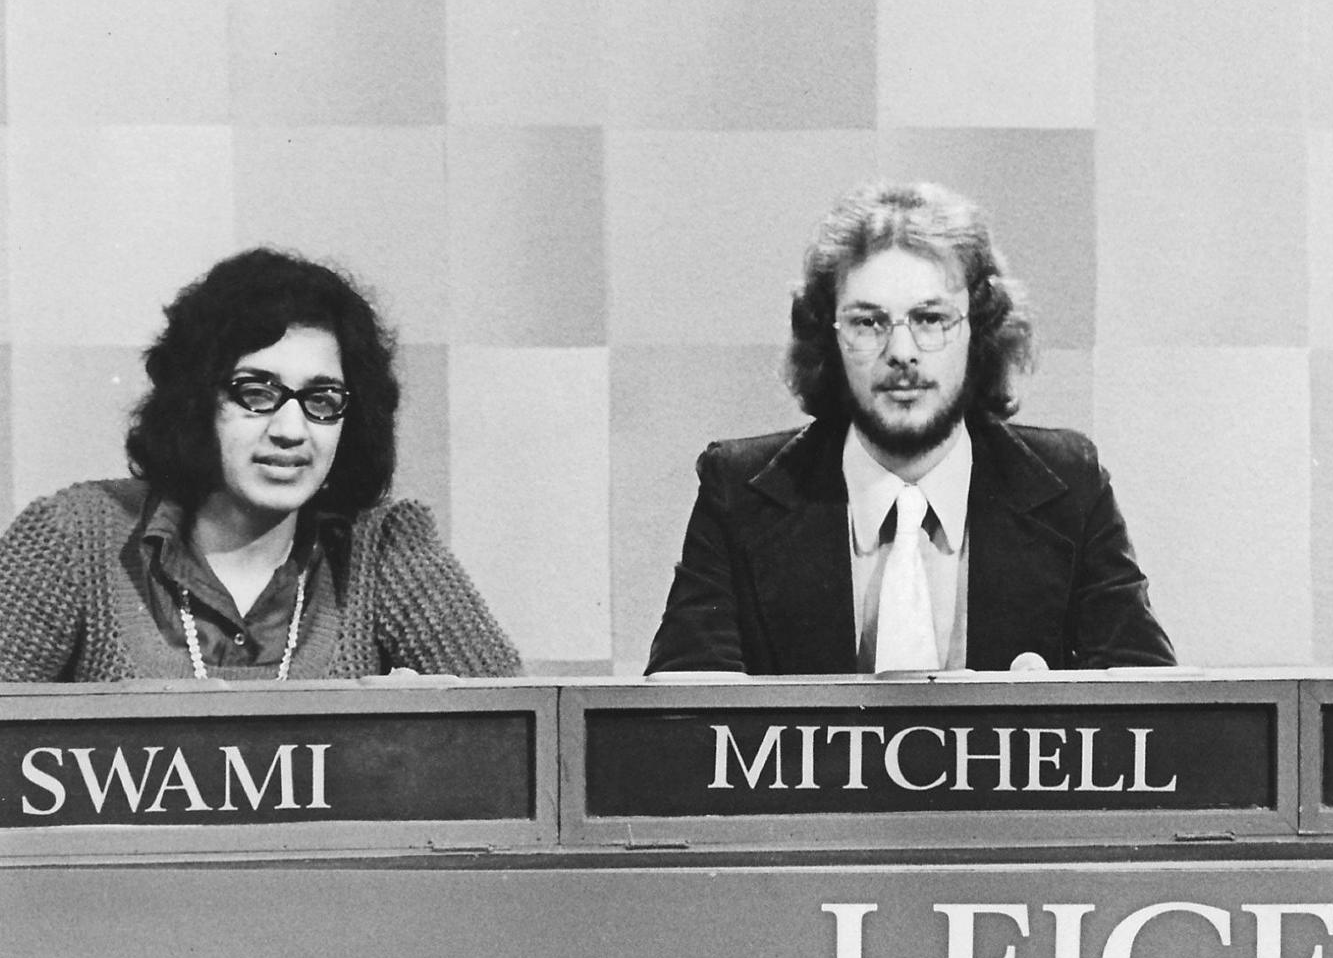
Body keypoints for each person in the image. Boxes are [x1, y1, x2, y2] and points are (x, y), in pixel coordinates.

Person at [647, 181, 1174, 675]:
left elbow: (1160, 725)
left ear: (981, 330)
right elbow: (676, 735)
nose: (900, 353)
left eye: (930, 319)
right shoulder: (738, 493)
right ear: (828, 336)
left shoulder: (1069, 486)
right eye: (867, 322)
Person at [0, 249, 521, 683]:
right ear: (196, 399)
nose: (292, 429)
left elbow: (522, 738)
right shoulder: (73, 539)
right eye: (256, 392)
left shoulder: (385, 548)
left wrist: (424, 735)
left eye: (321, 398)